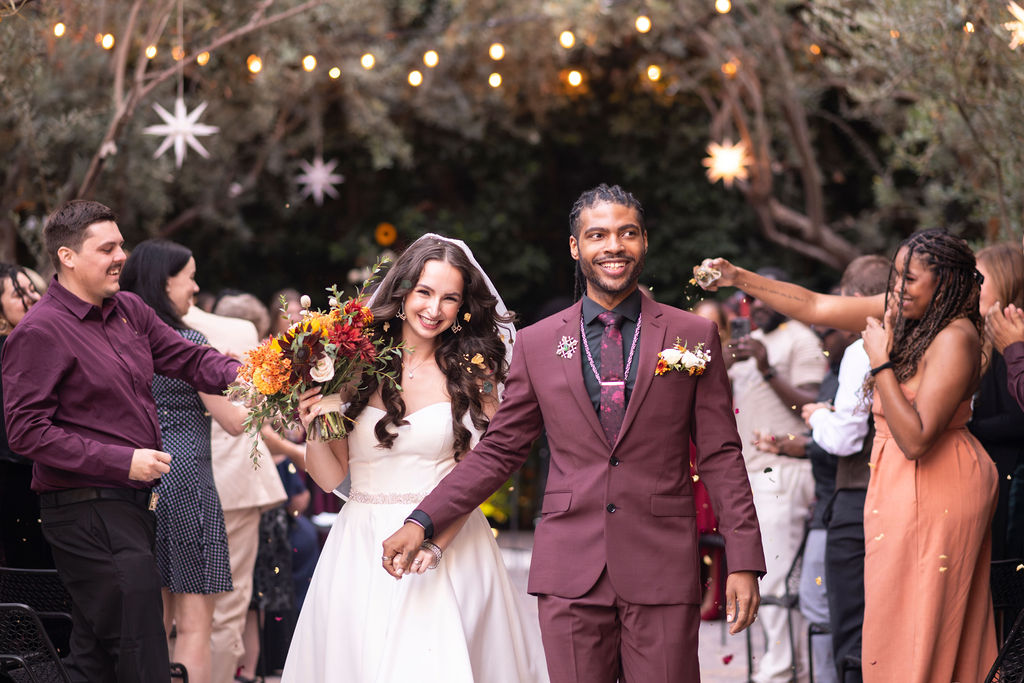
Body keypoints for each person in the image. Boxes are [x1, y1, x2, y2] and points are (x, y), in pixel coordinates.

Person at [383, 185, 764, 683]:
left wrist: (743, 558)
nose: (614, 246)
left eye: (627, 233)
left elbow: (720, 453)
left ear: (644, 242)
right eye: (598, 234)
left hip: (662, 565)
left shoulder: (692, 335)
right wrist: (423, 520)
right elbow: (500, 450)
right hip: (569, 573)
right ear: (575, 246)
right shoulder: (539, 343)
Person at [697, 228, 998, 683]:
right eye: (894, 277)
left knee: (924, 620)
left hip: (939, 485)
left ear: (947, 282)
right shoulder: (905, 312)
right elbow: (814, 305)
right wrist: (738, 277)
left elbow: (917, 439)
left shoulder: (956, 337)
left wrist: (879, 361)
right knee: (894, 618)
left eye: (909, 280)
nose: (896, 290)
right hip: (894, 480)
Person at [281, 233, 548, 682]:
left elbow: (483, 472)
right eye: (424, 292)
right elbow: (330, 480)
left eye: (449, 298)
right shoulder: (353, 367)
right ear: (403, 291)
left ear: (463, 306)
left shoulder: (475, 372)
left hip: (447, 543)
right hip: (359, 547)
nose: (434, 309)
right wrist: (315, 424)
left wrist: (435, 542)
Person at [2, 200, 240, 683]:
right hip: (84, 511)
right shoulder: (40, 331)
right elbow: (26, 432)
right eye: (106, 247)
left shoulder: (129, 310)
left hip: (130, 509)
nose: (121, 256)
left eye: (121, 245)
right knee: (141, 648)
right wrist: (121, 461)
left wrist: (257, 373)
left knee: (94, 660)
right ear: (67, 257)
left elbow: (191, 361)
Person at [119, 240, 248, 683]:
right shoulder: (187, 341)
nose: (195, 287)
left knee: (153, 627)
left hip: (137, 488)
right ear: (163, 280)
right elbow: (233, 421)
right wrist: (265, 392)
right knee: (195, 626)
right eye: (189, 276)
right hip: (189, 486)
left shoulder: (120, 340)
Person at [181, 300, 288, 683]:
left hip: (161, 486)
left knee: (169, 616)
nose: (195, 286)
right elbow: (255, 414)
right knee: (227, 610)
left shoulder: (126, 325)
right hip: (233, 484)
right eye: (189, 276)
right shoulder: (237, 331)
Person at [800, 255, 890, 683]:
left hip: (858, 500)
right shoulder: (930, 337)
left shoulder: (862, 349)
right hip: (904, 497)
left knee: (852, 626)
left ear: (854, 298)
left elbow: (844, 439)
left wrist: (817, 415)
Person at [970, 243, 1024, 560]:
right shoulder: (988, 336)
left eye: (980, 278)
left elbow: (1018, 419)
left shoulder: (1013, 336)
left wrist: (965, 425)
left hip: (1015, 481)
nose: (972, 287)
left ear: (1004, 280)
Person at [0, 263, 49, 569]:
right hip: (17, 476)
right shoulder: (14, 347)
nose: (32, 298)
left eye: (33, 290)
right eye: (19, 293)